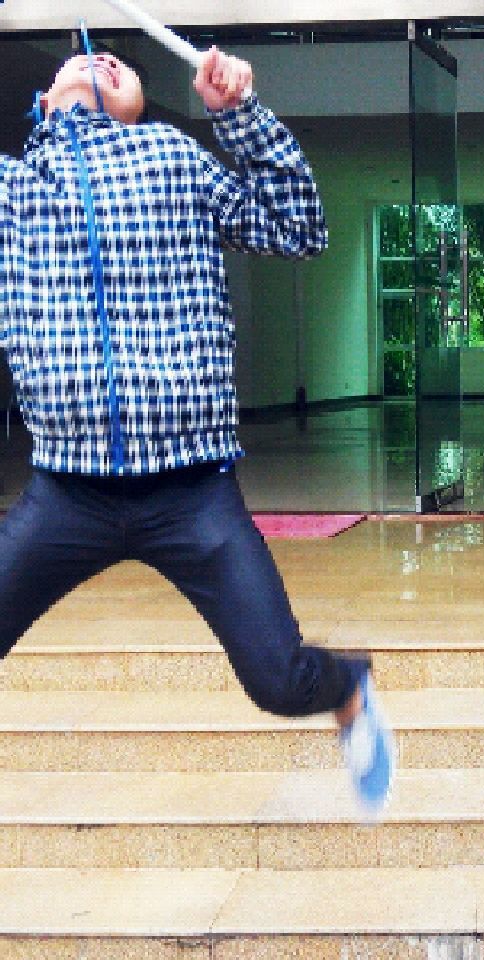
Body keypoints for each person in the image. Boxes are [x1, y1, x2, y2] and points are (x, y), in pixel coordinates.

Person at [0, 43, 394, 812]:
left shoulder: (176, 160)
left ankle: (347, 686)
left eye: (118, 63)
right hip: (65, 497)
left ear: (141, 104)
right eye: (82, 60)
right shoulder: (14, 190)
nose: (100, 59)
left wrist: (238, 115)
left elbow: (298, 227)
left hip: (192, 493)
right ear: (42, 99)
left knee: (279, 683)